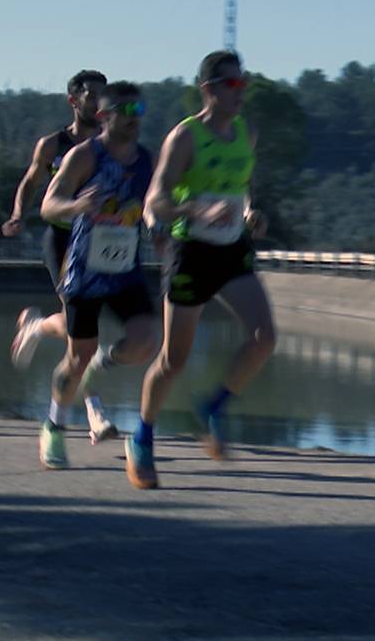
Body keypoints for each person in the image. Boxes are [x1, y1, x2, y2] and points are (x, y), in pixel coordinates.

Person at [125, 51, 276, 489]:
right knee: (173, 360)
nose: (240, 92)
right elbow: (156, 200)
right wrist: (196, 208)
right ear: (208, 89)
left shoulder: (246, 132)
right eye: (231, 84)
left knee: (265, 338)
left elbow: (242, 187)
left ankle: (213, 406)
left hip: (232, 251)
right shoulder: (185, 137)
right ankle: (142, 438)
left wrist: (251, 214)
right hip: (189, 250)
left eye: (243, 83)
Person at [17, 81, 161, 469]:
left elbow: (157, 203)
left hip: (125, 269)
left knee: (146, 341)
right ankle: (54, 425)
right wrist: (76, 204)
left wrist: (160, 227)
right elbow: (48, 205)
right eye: (126, 112)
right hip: (84, 272)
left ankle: (100, 365)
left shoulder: (148, 160)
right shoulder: (84, 156)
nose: (135, 120)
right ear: (104, 116)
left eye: (140, 111)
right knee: (74, 358)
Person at [3, 70, 117, 444]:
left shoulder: (110, 144)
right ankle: (94, 411)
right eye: (90, 96)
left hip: (99, 241)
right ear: (73, 101)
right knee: (81, 331)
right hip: (63, 240)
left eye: (103, 96)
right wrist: (19, 212)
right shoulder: (53, 145)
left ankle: (35, 326)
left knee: (81, 329)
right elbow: (31, 181)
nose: (97, 102)